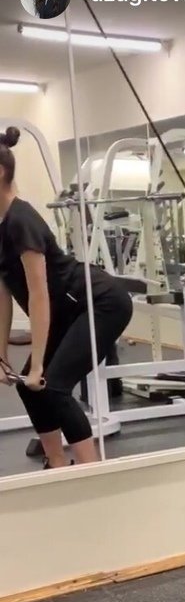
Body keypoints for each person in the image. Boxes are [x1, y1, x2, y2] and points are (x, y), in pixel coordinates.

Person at [0, 127, 133, 467]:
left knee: (53, 386)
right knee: (29, 388)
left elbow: (38, 295)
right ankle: (58, 465)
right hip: (68, 309)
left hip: (100, 302)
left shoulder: (21, 220)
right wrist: (1, 354)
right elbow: (3, 294)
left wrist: (38, 364)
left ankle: (91, 473)